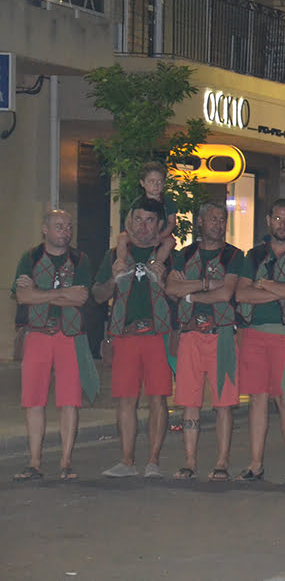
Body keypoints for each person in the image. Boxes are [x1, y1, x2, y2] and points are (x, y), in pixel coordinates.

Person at [12, 210, 98, 481]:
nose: (65, 231)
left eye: (68, 227)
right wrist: (62, 293)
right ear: (45, 229)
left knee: (69, 401)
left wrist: (41, 293)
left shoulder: (80, 260)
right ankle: (34, 462)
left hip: (68, 336)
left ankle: (65, 462)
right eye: (59, 226)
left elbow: (81, 298)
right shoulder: (30, 258)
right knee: (33, 400)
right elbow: (23, 296)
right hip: (37, 334)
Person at [93, 197, 175, 478]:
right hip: (125, 336)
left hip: (158, 335)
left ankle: (153, 462)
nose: (143, 226)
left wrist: (163, 280)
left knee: (158, 399)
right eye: (138, 219)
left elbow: (180, 295)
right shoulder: (116, 254)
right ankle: (127, 461)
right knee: (126, 399)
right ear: (129, 221)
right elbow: (98, 295)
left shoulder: (170, 255)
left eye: (150, 220)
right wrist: (113, 279)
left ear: (160, 224)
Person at [164, 202, 243, 481]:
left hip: (221, 333)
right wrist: (207, 284)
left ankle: (222, 462)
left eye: (222, 220)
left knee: (224, 403)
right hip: (190, 336)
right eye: (212, 219)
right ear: (200, 222)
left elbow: (227, 294)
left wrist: (191, 293)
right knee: (189, 401)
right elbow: (171, 288)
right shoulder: (184, 255)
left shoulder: (234, 255)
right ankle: (189, 461)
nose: (218, 224)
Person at [234, 198, 285, 483]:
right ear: (268, 220)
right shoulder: (253, 256)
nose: (282, 224)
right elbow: (241, 294)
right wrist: (281, 291)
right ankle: (255, 464)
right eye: (277, 218)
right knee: (257, 399)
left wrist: (265, 286)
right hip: (253, 332)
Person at [115, 162, 177, 272]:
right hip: (137, 233)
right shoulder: (138, 201)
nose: (156, 185)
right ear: (142, 183)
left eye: (159, 182)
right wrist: (132, 234)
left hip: (160, 234)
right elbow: (128, 220)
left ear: (164, 183)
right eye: (152, 181)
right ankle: (121, 261)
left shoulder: (168, 201)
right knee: (121, 238)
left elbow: (172, 222)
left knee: (170, 242)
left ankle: (158, 263)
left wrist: (161, 235)